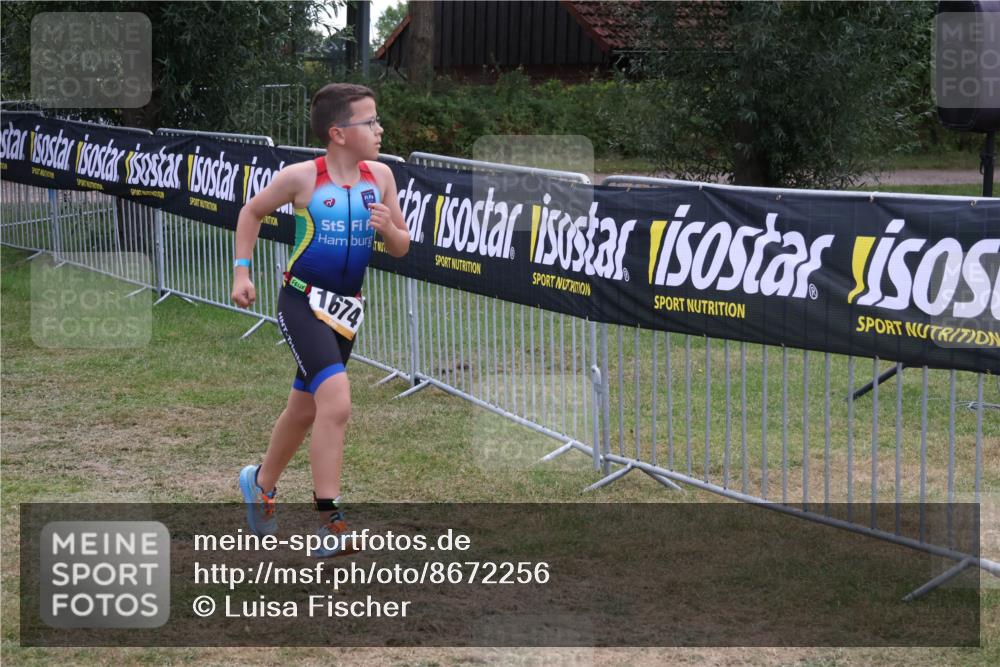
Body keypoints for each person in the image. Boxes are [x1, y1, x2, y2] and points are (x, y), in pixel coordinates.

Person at [230, 83, 409, 557]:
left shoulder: (382, 177)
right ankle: (331, 524)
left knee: (305, 409)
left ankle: (261, 485)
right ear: (338, 133)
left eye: (376, 120)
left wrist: (390, 228)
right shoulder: (303, 178)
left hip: (346, 311)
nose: (379, 129)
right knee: (336, 402)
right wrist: (241, 272)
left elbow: (401, 245)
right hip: (302, 303)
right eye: (369, 122)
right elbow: (251, 212)